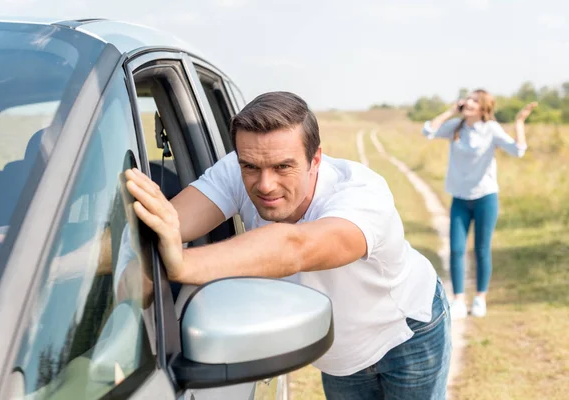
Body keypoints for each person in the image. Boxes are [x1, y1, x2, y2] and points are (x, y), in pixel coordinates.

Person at [125, 91, 451, 399]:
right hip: (337, 352)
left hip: (405, 333)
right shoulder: (237, 170)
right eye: (250, 167)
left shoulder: (363, 195)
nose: (265, 185)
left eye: (283, 166)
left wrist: (182, 264)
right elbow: (161, 227)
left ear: (316, 160)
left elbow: (295, 247)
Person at [422, 89, 537, 319]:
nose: (469, 102)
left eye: (475, 100)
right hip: (460, 199)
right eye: (468, 99)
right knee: (456, 249)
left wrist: (519, 122)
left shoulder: (491, 129)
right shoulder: (456, 127)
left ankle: (480, 299)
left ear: (483, 107)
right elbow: (428, 131)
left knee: (482, 250)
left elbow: (518, 151)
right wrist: (450, 111)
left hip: (486, 198)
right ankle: (458, 300)